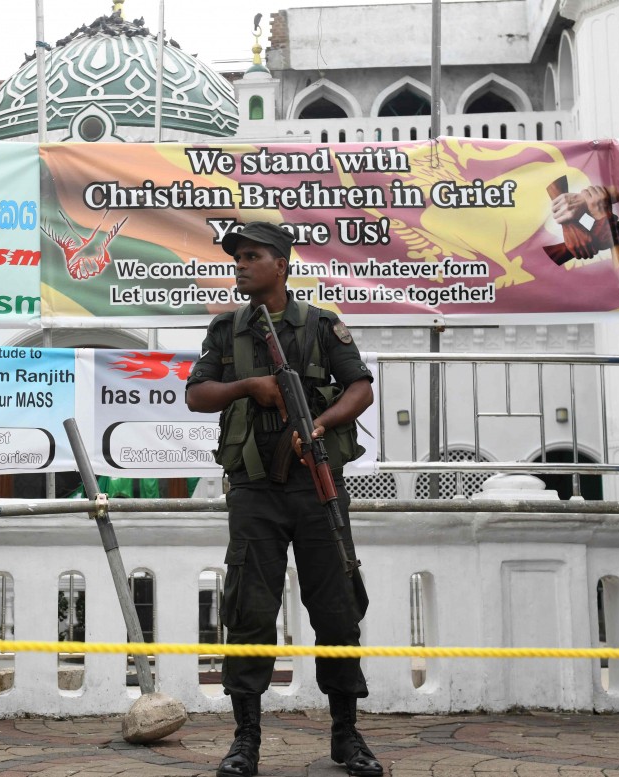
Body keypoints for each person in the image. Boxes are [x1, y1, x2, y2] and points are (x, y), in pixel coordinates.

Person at [185, 222, 380, 777]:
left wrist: (317, 425)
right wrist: (251, 387)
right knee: (248, 612)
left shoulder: (321, 325)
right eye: (237, 257)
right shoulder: (227, 330)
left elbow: (360, 388)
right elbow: (197, 394)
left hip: (317, 490)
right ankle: (245, 740)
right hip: (254, 492)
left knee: (338, 611)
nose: (241, 265)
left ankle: (347, 735)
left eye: (252, 256)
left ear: (282, 264)